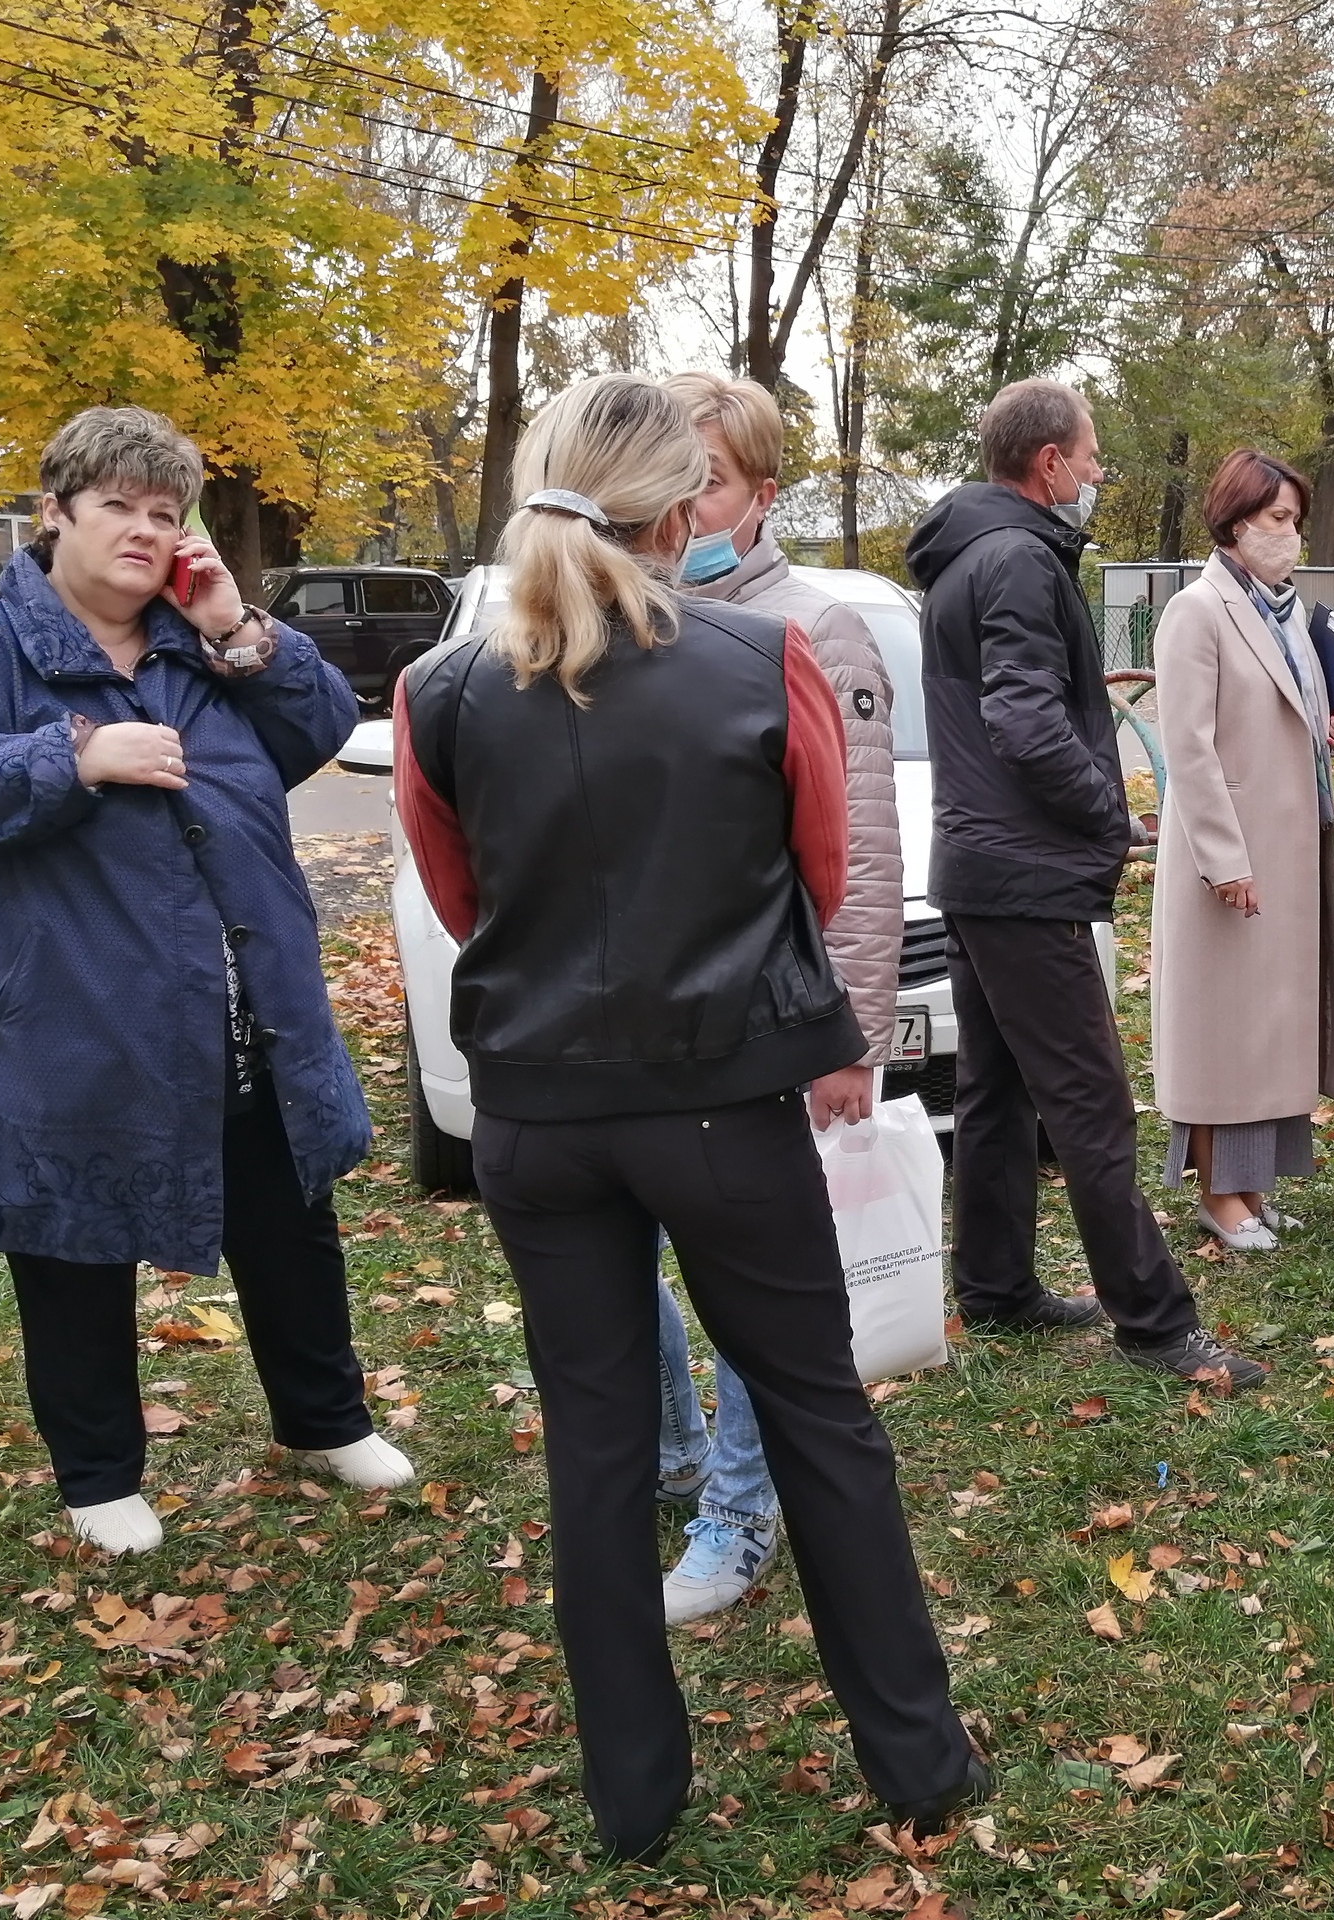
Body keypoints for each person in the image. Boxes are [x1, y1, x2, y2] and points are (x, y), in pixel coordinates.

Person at [395, 375, 981, 1857]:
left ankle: (633, 1796)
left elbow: (467, 903)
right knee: (817, 1416)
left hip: (539, 1116)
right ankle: (915, 1759)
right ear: (677, 507)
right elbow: (824, 873)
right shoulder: (755, 659)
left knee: (593, 1446)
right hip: (719, 1107)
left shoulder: (443, 691)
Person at [0, 406, 407, 1557]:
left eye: (163, 512)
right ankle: (99, 1475)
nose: (144, 532)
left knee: (289, 1222)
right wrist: (75, 754)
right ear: (55, 515)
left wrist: (237, 622)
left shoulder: (199, 643)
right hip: (72, 1015)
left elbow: (319, 731)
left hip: (245, 1006)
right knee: (76, 1241)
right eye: (117, 509)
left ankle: (325, 1419)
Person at [905, 378, 1263, 1387]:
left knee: (996, 1089)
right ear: (1047, 462)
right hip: (1023, 877)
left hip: (978, 867)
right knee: (1091, 1106)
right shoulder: (1017, 558)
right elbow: (1023, 722)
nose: (1099, 472)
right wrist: (1111, 817)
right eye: (1091, 453)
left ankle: (996, 1286)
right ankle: (1155, 1324)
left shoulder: (969, 556)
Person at [647, 370, 903, 1624]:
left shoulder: (815, 626)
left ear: (759, 494)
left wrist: (848, 1029)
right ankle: (675, 1450)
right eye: (668, 480)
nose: (685, 507)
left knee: (760, 1268)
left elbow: (858, 849)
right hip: (643, 1012)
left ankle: (743, 1508)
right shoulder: (625, 612)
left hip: (769, 1012)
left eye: (709, 482)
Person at [1149, 449, 1334, 1250]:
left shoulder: (1288, 614)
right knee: (1221, 1036)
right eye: (1278, 520)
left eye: (1295, 520)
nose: (1291, 536)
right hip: (1228, 863)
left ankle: (1255, 1186)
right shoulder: (1195, 612)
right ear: (1237, 522)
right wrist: (1224, 860)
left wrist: (1329, 733)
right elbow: (1188, 749)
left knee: (1273, 1027)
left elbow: (1288, 723)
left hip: (1292, 849)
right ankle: (1219, 1195)